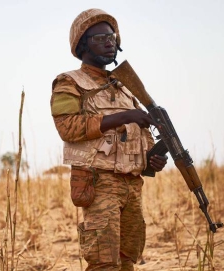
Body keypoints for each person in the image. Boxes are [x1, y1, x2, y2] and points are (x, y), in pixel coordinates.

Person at [50, 8, 168, 271]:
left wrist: (152, 158)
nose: (109, 42)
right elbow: (67, 127)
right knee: (103, 261)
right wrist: (125, 116)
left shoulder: (125, 87)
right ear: (82, 45)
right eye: (99, 38)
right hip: (99, 182)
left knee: (128, 257)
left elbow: (138, 135)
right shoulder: (69, 83)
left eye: (112, 36)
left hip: (132, 185)